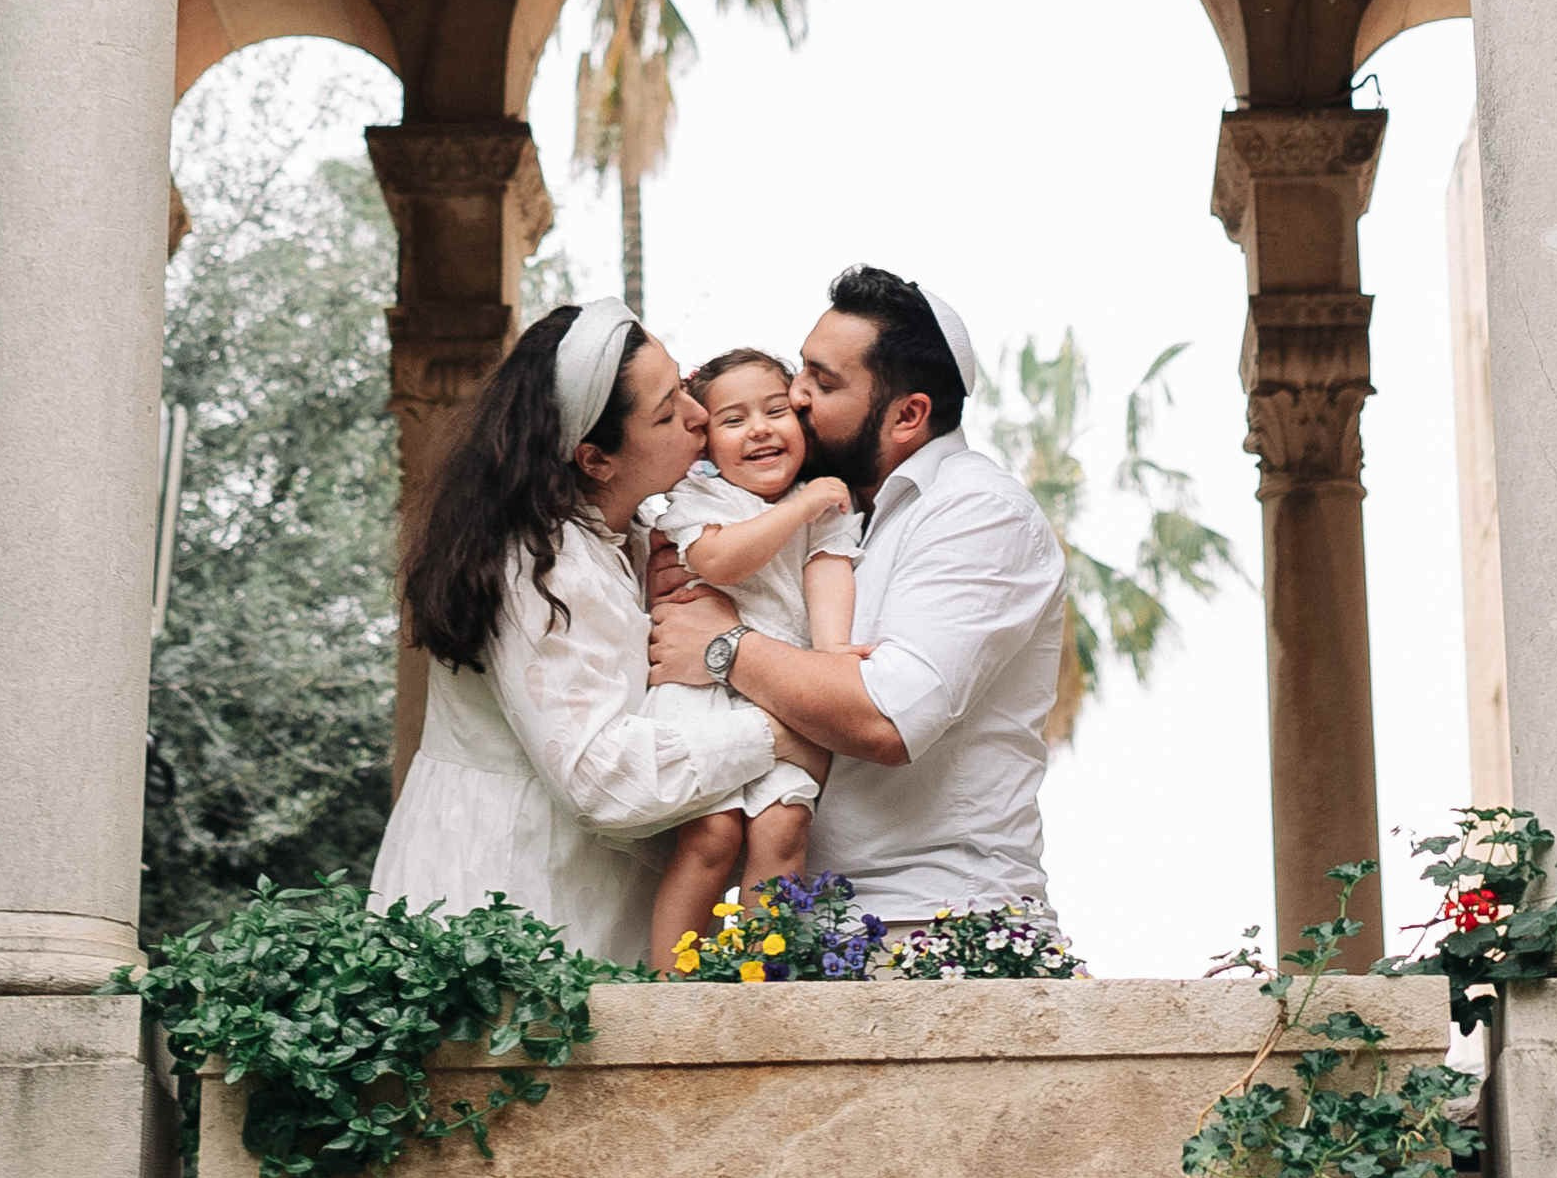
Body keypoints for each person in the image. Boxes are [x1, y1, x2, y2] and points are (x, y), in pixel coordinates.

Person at [371, 295, 823, 963]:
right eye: (669, 411)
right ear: (595, 460)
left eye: (682, 388)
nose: (700, 417)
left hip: (593, 895)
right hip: (504, 897)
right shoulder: (532, 566)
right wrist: (781, 735)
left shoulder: (638, 536)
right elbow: (600, 777)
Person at [644, 264, 1066, 925]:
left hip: (929, 923)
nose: (796, 397)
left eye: (821, 381)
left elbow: (884, 719)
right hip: (816, 926)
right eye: (800, 373)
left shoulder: (977, 512)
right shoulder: (818, 506)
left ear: (907, 416)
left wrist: (720, 645)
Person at [640, 346, 863, 968]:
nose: (760, 429)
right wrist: (798, 506)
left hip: (780, 694)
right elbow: (717, 561)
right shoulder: (701, 501)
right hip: (700, 692)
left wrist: (833, 653)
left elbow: (829, 570)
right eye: (734, 420)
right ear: (706, 443)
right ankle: (669, 988)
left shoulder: (824, 505)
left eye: (774, 411)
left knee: (784, 827)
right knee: (712, 836)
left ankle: (763, 977)